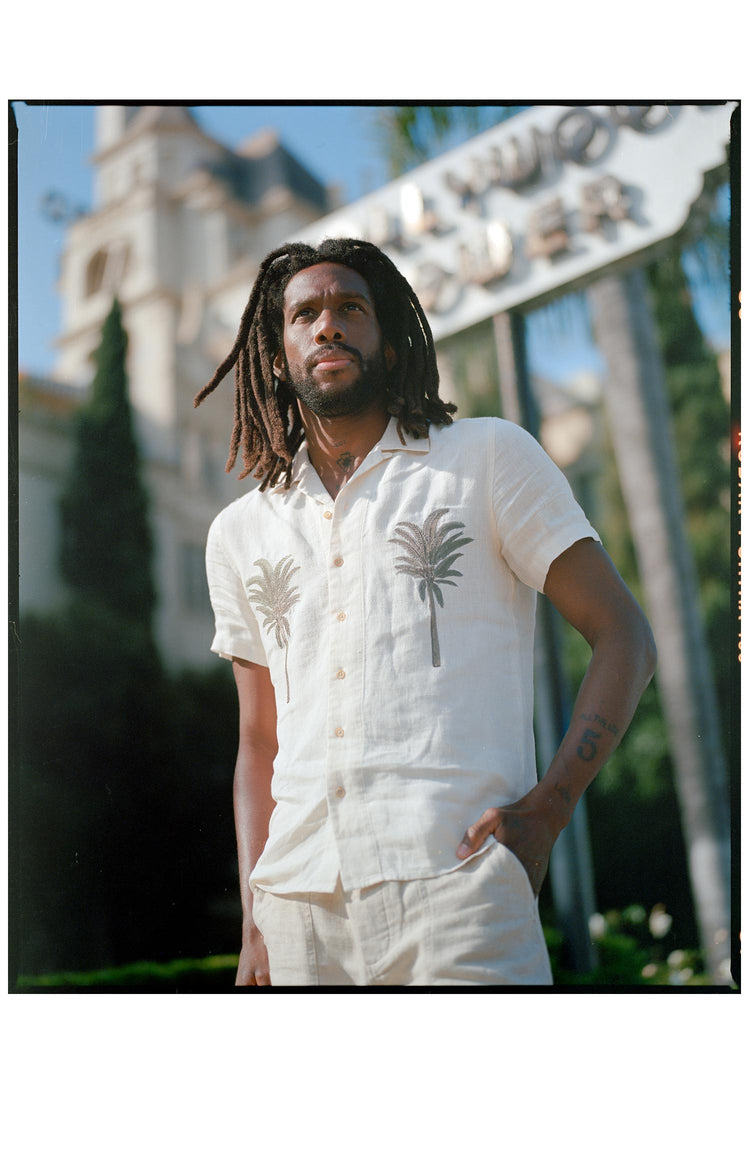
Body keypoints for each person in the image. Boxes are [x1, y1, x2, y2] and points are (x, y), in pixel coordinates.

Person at [196, 237, 656, 987]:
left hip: (461, 886)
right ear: (276, 355)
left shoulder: (486, 457)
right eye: (305, 313)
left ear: (390, 336)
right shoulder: (237, 534)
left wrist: (548, 812)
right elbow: (258, 740)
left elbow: (625, 637)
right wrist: (255, 916)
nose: (329, 325)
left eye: (352, 307)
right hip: (297, 914)